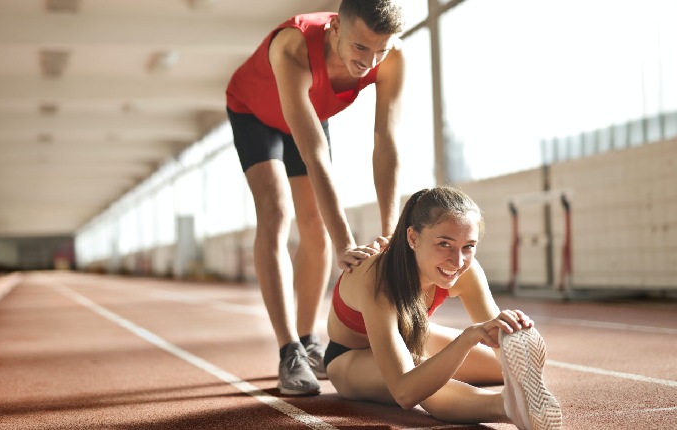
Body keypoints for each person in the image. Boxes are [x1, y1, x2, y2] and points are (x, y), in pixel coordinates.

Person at [225, 1, 406, 395]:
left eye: (380, 51)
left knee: (316, 228)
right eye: (361, 48)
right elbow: (314, 154)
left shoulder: (391, 58)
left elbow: (386, 143)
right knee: (275, 214)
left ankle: (309, 341)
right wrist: (347, 245)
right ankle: (288, 349)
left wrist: (391, 231)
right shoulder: (291, 47)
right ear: (336, 28)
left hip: (309, 106)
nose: (369, 62)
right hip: (254, 111)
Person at [324, 186, 563, 429]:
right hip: (349, 357)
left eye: (468, 246)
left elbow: (496, 341)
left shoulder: (466, 272)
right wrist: (466, 340)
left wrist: (506, 329)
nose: (457, 261)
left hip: (410, 335)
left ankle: (521, 397)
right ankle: (507, 407)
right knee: (419, 379)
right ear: (413, 238)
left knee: (500, 362)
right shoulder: (379, 278)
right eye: (444, 244)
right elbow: (404, 392)